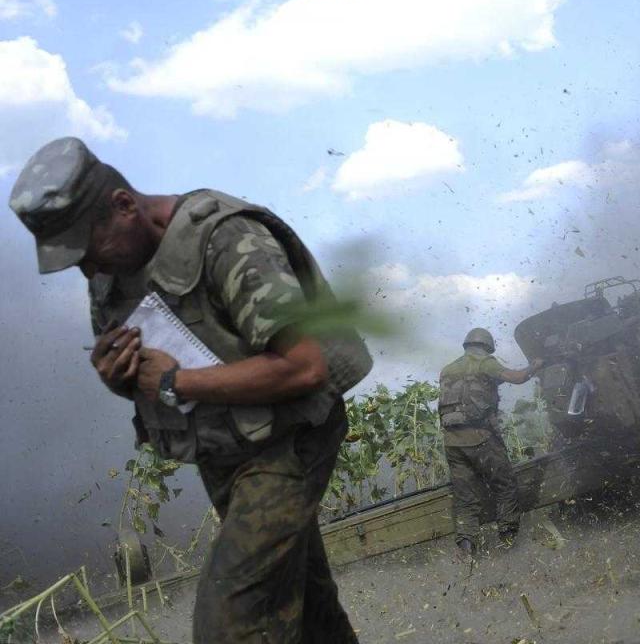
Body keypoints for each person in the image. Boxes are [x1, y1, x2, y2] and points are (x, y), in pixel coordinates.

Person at [7, 137, 372, 644]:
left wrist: (178, 381)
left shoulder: (227, 238)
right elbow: (149, 380)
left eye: (88, 250)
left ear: (124, 205)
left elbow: (305, 368)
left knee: (233, 621)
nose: (88, 270)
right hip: (226, 453)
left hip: (291, 437)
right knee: (303, 602)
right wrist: (120, 378)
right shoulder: (111, 278)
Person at [438, 327, 543, 559]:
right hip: (481, 439)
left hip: (453, 443)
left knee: (465, 499)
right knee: (505, 486)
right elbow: (517, 378)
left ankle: (466, 553)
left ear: (467, 345)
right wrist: (534, 366)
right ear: (487, 346)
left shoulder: (448, 370)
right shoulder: (485, 362)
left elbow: (467, 390)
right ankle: (508, 542)